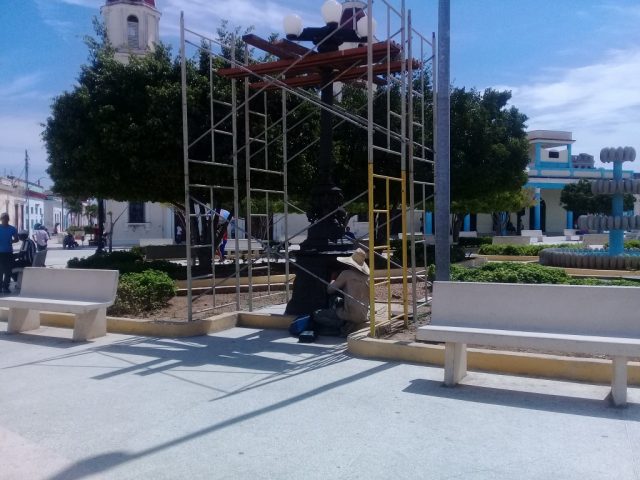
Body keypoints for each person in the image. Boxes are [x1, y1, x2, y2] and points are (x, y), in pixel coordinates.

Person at [312, 248, 370, 336]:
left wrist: (333, 278)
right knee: (336, 300)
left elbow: (330, 290)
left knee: (316, 314)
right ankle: (345, 321)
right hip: (363, 314)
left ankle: (342, 325)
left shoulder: (346, 274)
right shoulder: (367, 277)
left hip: (351, 314)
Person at [0, 212, 19, 293]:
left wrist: (12, 241)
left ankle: (5, 286)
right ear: (1, 219)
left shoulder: (12, 229)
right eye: (3, 219)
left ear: (8, 219)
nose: (4, 220)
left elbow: (17, 239)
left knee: (8, 270)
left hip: (8, 252)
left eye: (6, 219)